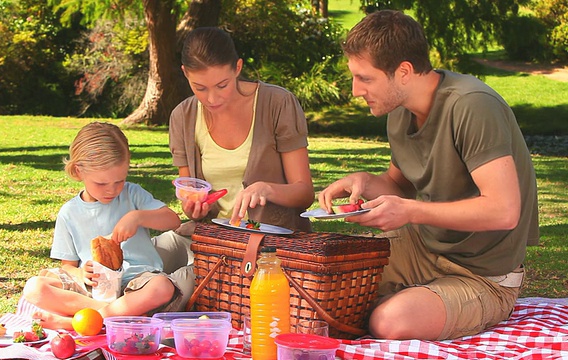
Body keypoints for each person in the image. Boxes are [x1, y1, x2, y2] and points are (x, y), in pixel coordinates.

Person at [318, 10, 539, 341]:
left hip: (483, 274)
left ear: (404, 71)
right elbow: (397, 187)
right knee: (325, 289)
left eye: (365, 78)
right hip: (422, 248)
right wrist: (363, 181)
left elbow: (504, 210)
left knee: (390, 323)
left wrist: (410, 212)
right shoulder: (400, 112)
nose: (355, 90)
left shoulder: (472, 105)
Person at [158, 26, 314, 256]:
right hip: (213, 243)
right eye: (199, 88)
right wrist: (195, 208)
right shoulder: (182, 117)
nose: (212, 98)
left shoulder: (277, 104)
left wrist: (267, 189)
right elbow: (190, 198)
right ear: (185, 73)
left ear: (238, 68)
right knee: (145, 257)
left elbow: (305, 194)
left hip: (272, 245)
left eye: (222, 85)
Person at [22, 122, 186, 330]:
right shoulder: (69, 213)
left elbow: (173, 220)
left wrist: (138, 217)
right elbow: (68, 266)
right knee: (35, 287)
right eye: (101, 183)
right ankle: (117, 314)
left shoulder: (132, 194)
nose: (112, 190)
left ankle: (78, 322)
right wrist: (81, 274)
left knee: (162, 287)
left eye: (119, 181)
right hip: (94, 288)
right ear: (78, 171)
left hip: (136, 283)